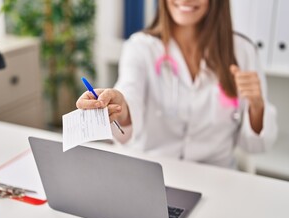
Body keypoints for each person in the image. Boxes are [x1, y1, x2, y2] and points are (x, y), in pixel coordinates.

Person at [76, 0, 277, 168]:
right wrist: (118, 105)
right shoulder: (140, 47)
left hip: (215, 178)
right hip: (149, 172)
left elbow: (255, 146)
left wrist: (257, 107)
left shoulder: (242, 52)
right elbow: (129, 97)